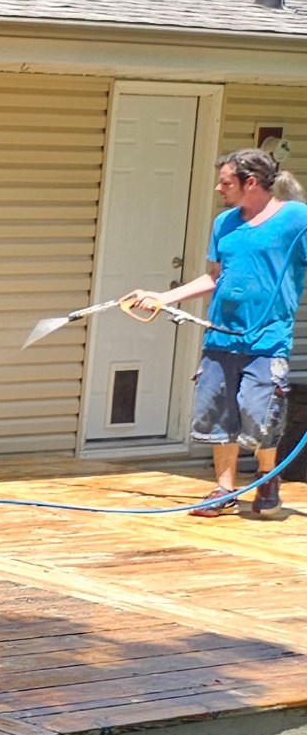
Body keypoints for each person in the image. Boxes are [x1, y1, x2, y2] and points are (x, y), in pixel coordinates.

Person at [127, 147, 307, 515]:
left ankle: (266, 478)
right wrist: (165, 298)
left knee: (261, 415)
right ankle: (224, 490)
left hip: (267, 340)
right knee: (217, 415)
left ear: (251, 182)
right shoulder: (224, 223)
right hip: (221, 337)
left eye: (226, 182)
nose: (218, 188)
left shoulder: (295, 220)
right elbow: (214, 276)